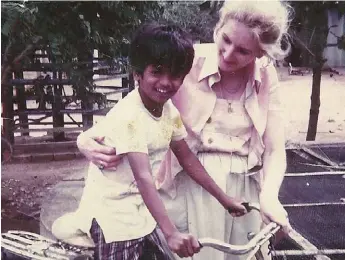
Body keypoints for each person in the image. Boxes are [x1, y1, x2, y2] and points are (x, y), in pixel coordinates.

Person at [76, 1, 292, 259]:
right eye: (226, 39)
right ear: (219, 26)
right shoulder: (182, 59)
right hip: (182, 188)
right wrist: (84, 139)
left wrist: (269, 196)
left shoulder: (266, 77)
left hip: (241, 187)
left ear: (260, 53)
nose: (228, 54)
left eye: (243, 51)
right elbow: (133, 113)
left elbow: (275, 149)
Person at [53, 23, 247, 260]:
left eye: (175, 75)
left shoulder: (168, 111)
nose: (166, 82)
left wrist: (225, 199)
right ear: (137, 73)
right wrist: (172, 233)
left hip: (141, 213)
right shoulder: (130, 117)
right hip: (114, 218)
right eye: (157, 71)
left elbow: (186, 157)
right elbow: (144, 177)